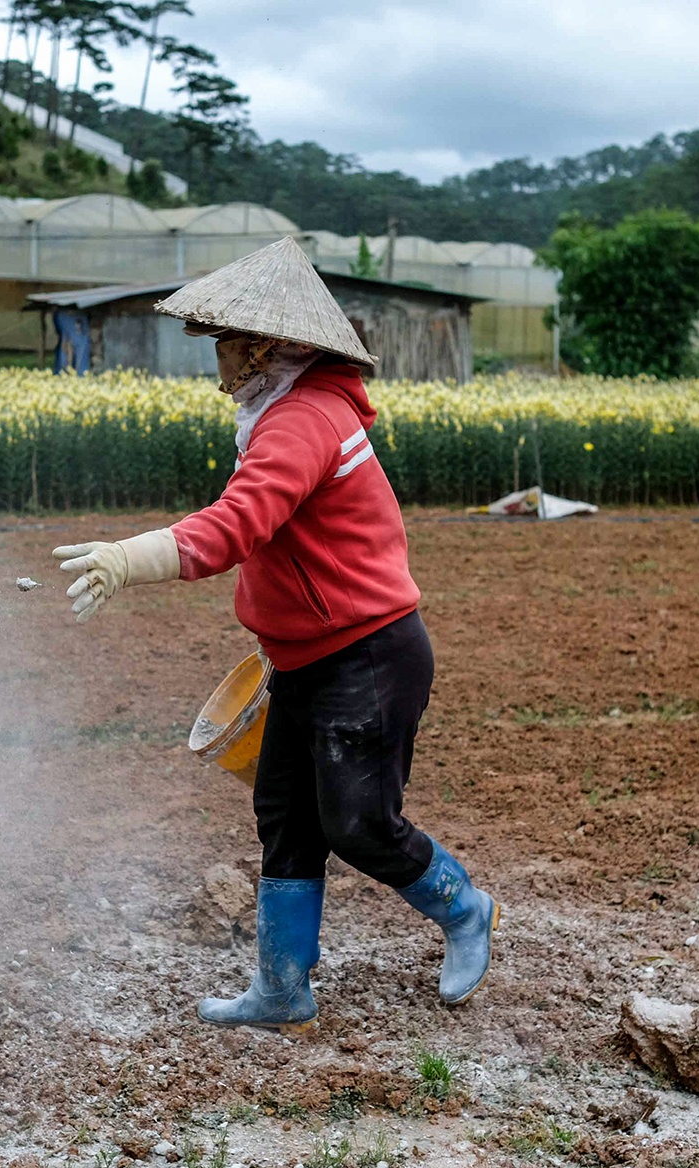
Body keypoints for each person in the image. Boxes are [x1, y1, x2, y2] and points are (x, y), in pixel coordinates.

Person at [50, 237, 500, 1032]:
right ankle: (283, 988)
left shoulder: (303, 421)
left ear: (261, 347)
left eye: (223, 341)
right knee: (286, 817)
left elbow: (236, 526)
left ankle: (466, 909)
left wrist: (127, 558)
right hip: (307, 659)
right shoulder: (286, 410)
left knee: (358, 823)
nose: (216, 357)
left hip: (368, 658)